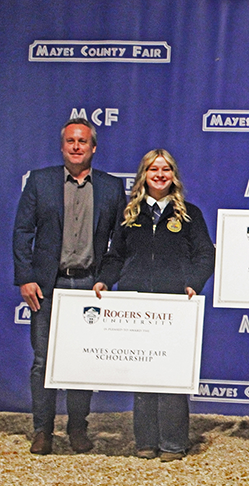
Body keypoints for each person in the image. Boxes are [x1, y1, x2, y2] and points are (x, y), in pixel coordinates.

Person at [13, 118, 126, 455]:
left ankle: (78, 428)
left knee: (82, 362)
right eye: (71, 141)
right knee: (43, 361)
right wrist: (26, 277)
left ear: (94, 148)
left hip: (90, 286)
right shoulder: (40, 181)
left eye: (83, 142)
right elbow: (22, 233)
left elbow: (118, 243)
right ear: (62, 146)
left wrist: (106, 278)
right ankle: (42, 430)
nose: (77, 147)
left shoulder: (111, 187)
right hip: (48, 287)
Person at [93, 149, 215, 462]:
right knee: (143, 373)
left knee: (171, 375)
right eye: (153, 170)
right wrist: (105, 280)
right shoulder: (129, 214)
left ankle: (173, 443)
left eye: (165, 170)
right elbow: (115, 256)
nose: (159, 175)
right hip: (136, 303)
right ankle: (145, 442)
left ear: (173, 175)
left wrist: (193, 282)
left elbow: (205, 255)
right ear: (143, 176)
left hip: (175, 305)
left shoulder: (190, 214)